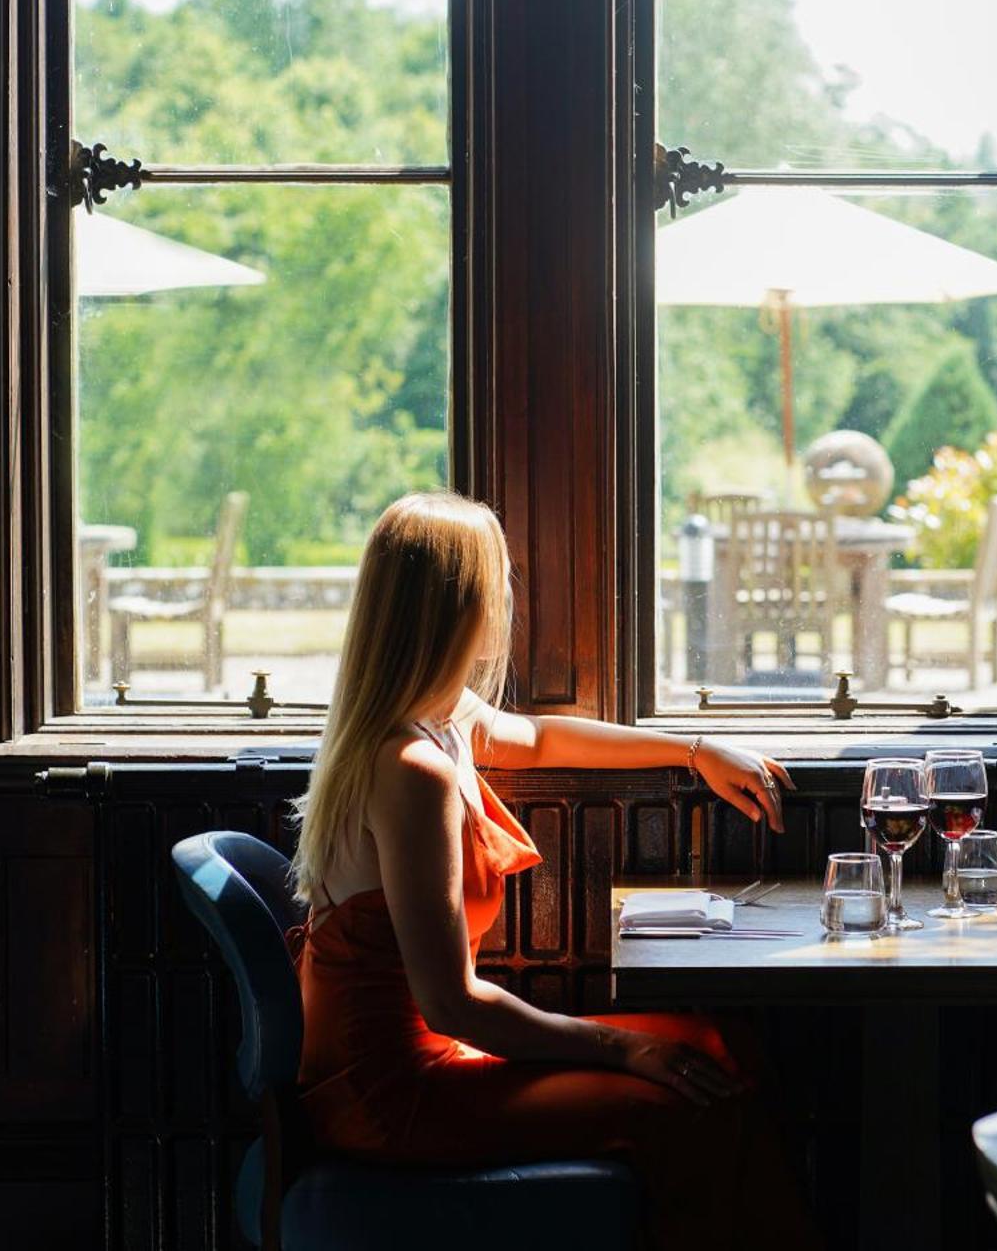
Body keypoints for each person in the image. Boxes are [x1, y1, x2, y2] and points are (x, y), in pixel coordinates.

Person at [289, 491, 817, 1250]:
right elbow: (452, 1006)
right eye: (499, 576)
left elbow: (534, 735)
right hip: (396, 1090)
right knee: (698, 1103)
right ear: (464, 603)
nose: (509, 593)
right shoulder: (410, 770)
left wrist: (694, 749)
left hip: (422, 1059)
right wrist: (625, 1047)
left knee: (715, 1044)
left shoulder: (437, 717)